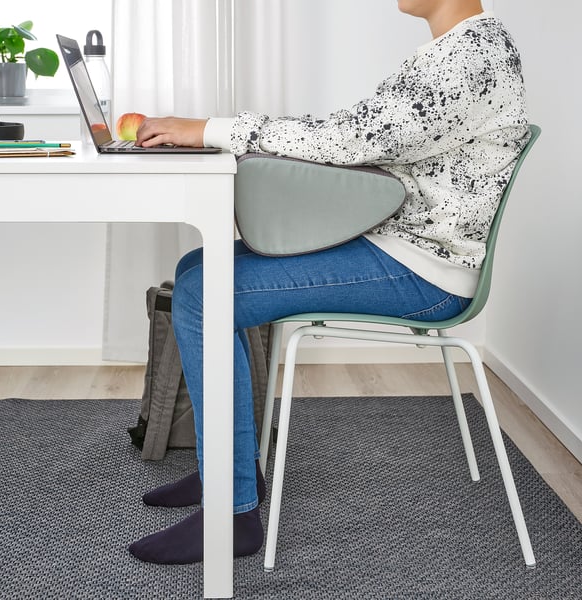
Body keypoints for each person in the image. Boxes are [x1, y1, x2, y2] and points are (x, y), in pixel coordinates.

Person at [128, 0, 529, 565]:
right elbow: (356, 135)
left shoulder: (471, 57)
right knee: (198, 267)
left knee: (199, 296)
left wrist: (210, 129)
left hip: (422, 271)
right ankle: (230, 472)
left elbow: (350, 140)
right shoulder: (450, 52)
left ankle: (231, 514)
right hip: (399, 244)